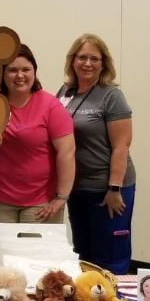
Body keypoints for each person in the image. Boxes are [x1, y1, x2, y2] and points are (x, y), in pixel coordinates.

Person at [0, 44, 76, 253]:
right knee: (3, 262)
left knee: (35, 261)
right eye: (13, 70)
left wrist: (62, 197)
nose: (20, 75)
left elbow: (67, 152)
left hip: (40, 202)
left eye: (26, 69)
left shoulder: (50, 106)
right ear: (2, 74)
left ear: (34, 71)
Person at [57, 33, 136, 274]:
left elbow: (122, 146)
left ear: (103, 63)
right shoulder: (65, 92)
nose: (87, 63)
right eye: (82, 57)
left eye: (94, 58)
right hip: (77, 188)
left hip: (107, 190)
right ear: (73, 60)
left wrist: (114, 188)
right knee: (83, 252)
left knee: (110, 255)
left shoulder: (111, 95)